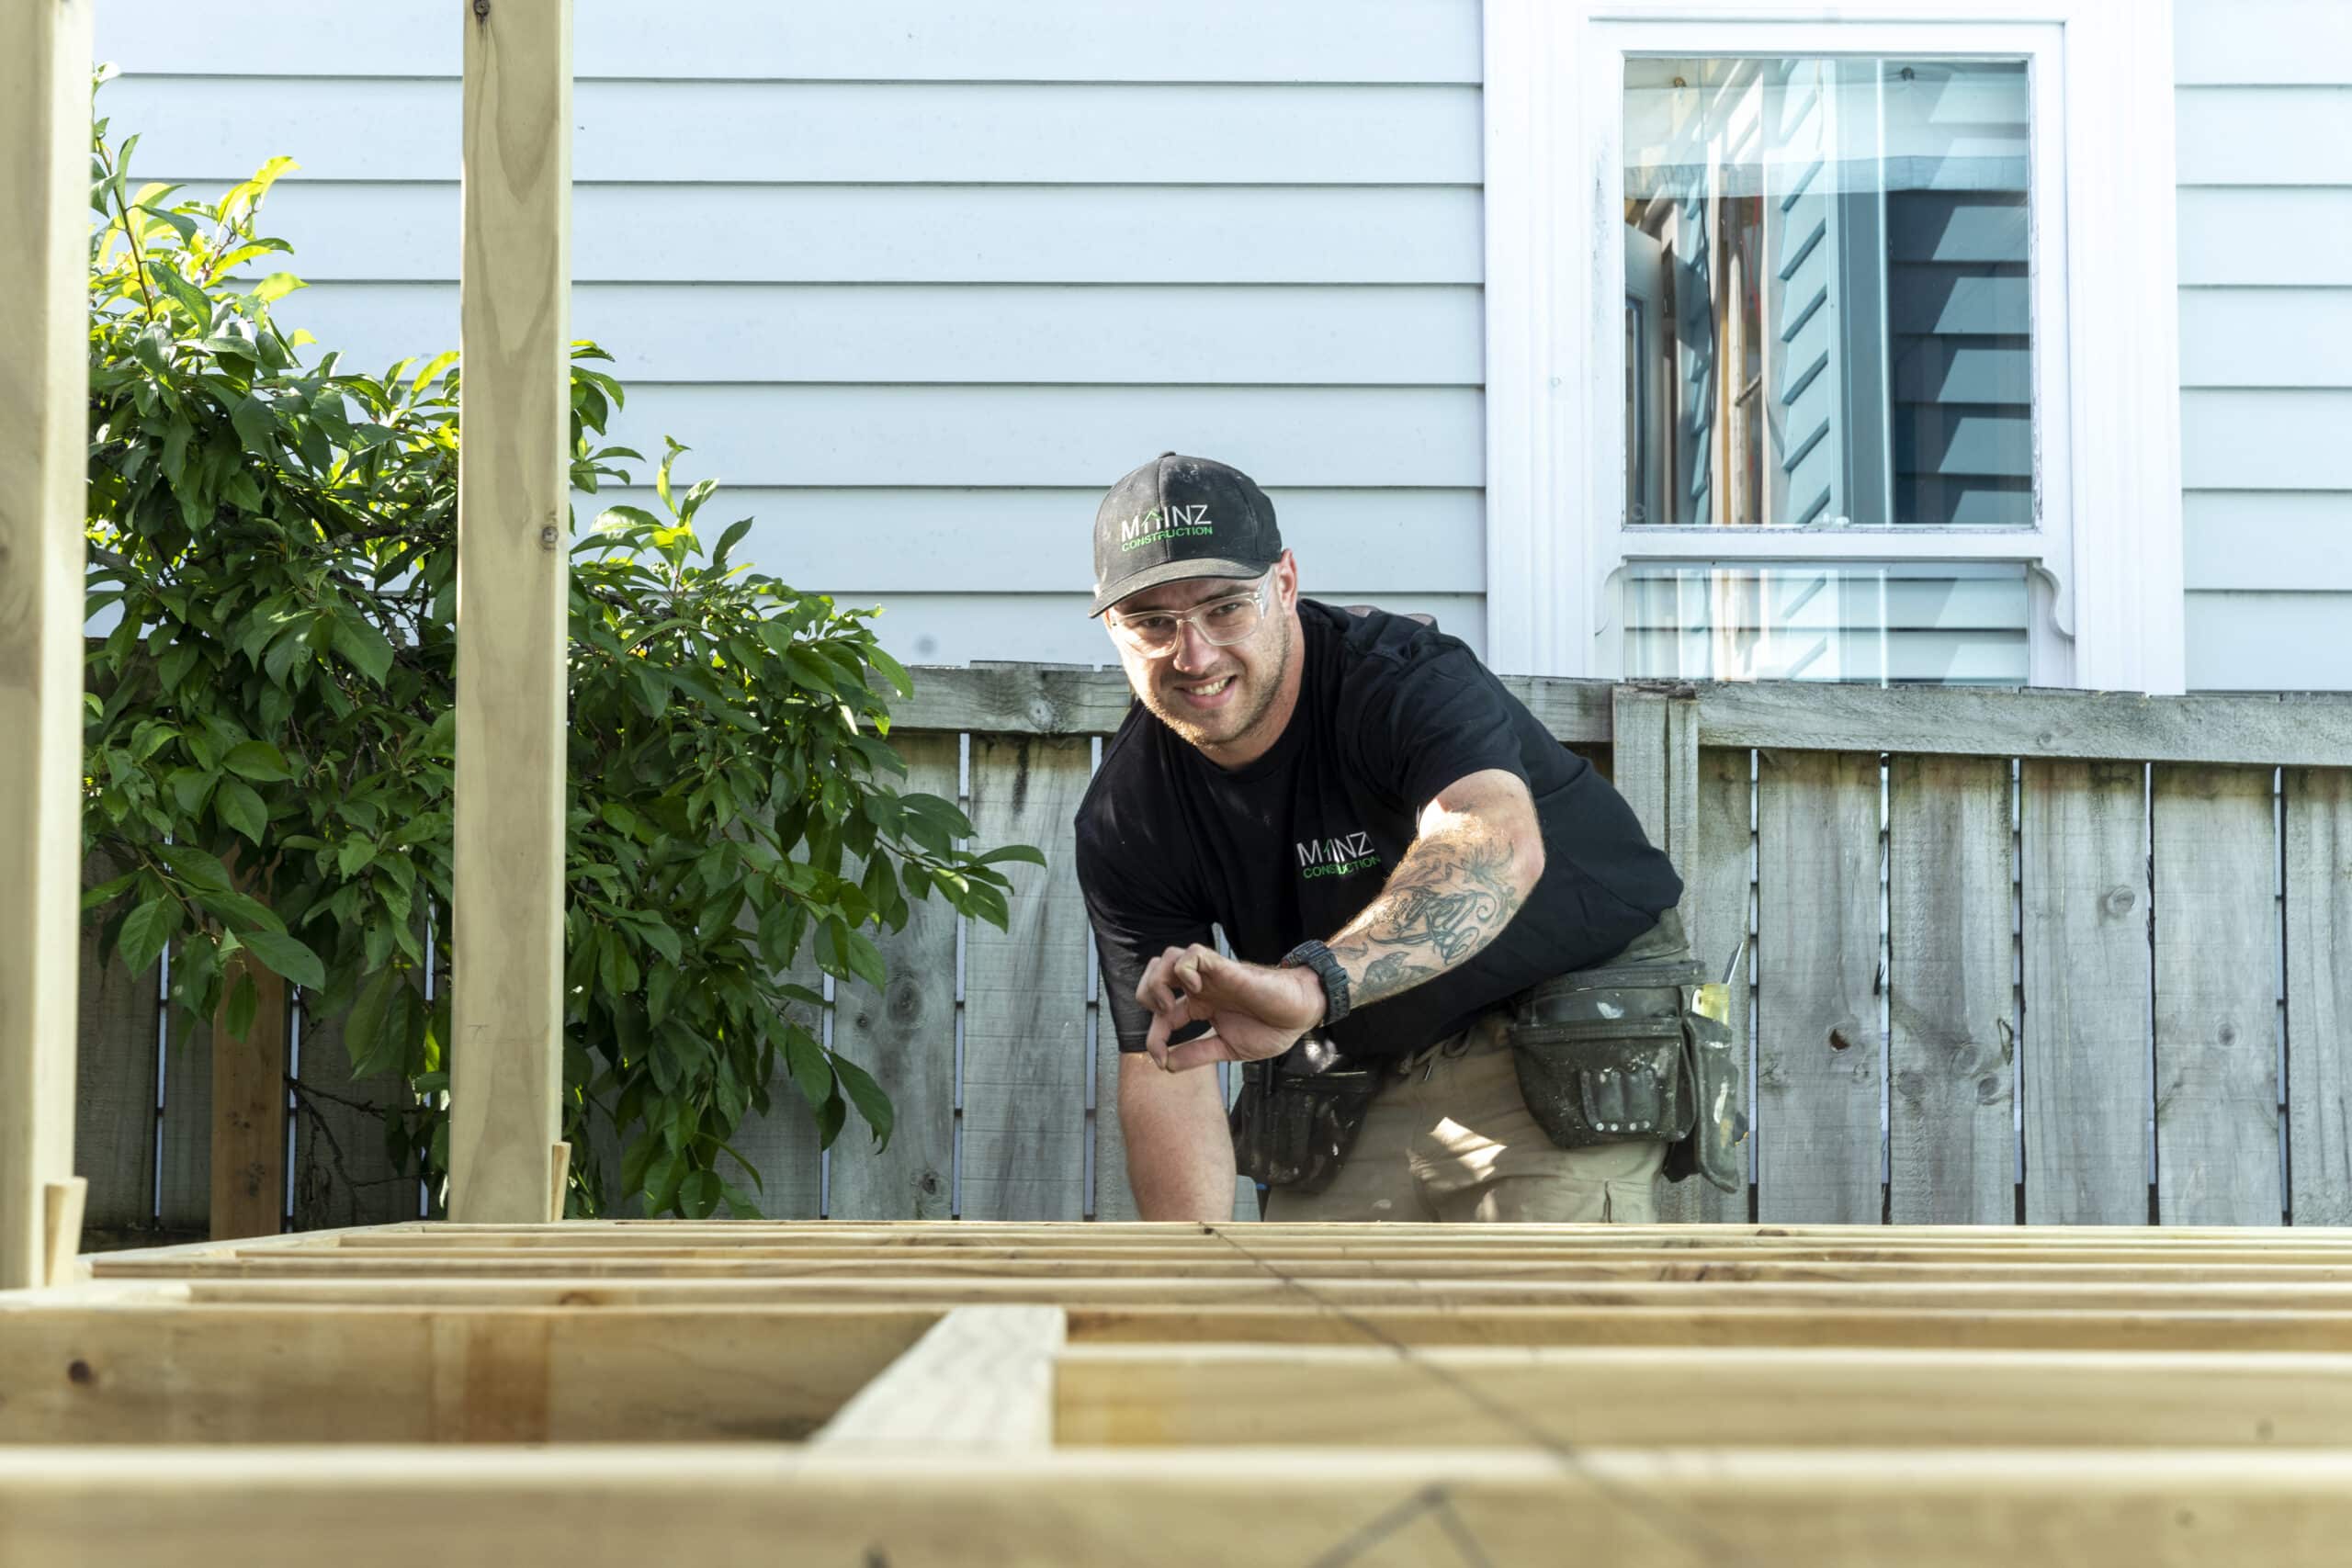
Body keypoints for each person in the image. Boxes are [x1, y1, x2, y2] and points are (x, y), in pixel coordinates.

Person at [1074, 452, 1700, 1224]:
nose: (1193, 654)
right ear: (1113, 629)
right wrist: (1194, 1282)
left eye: (1224, 607)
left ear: (1286, 584)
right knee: (1300, 1326)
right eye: (1152, 623)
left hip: (1552, 1014)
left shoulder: (1401, 678)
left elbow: (1495, 840)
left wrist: (1311, 985)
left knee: (1527, 1327)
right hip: (1350, 1063)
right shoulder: (1127, 813)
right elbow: (1168, 1060)